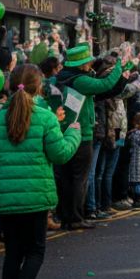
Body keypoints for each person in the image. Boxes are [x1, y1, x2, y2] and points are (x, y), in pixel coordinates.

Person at [0, 64, 81, 279]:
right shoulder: (46, 117)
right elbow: (60, 154)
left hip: (7, 197)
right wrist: (73, 132)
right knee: (35, 251)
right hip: (36, 196)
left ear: (11, 86)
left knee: (13, 253)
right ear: (40, 88)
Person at [53, 43, 125, 230]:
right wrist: (120, 66)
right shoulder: (79, 81)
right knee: (80, 178)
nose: (90, 64)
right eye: (87, 62)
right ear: (80, 64)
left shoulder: (62, 78)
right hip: (80, 134)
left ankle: (67, 216)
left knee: (68, 178)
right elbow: (105, 84)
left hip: (64, 132)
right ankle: (76, 217)